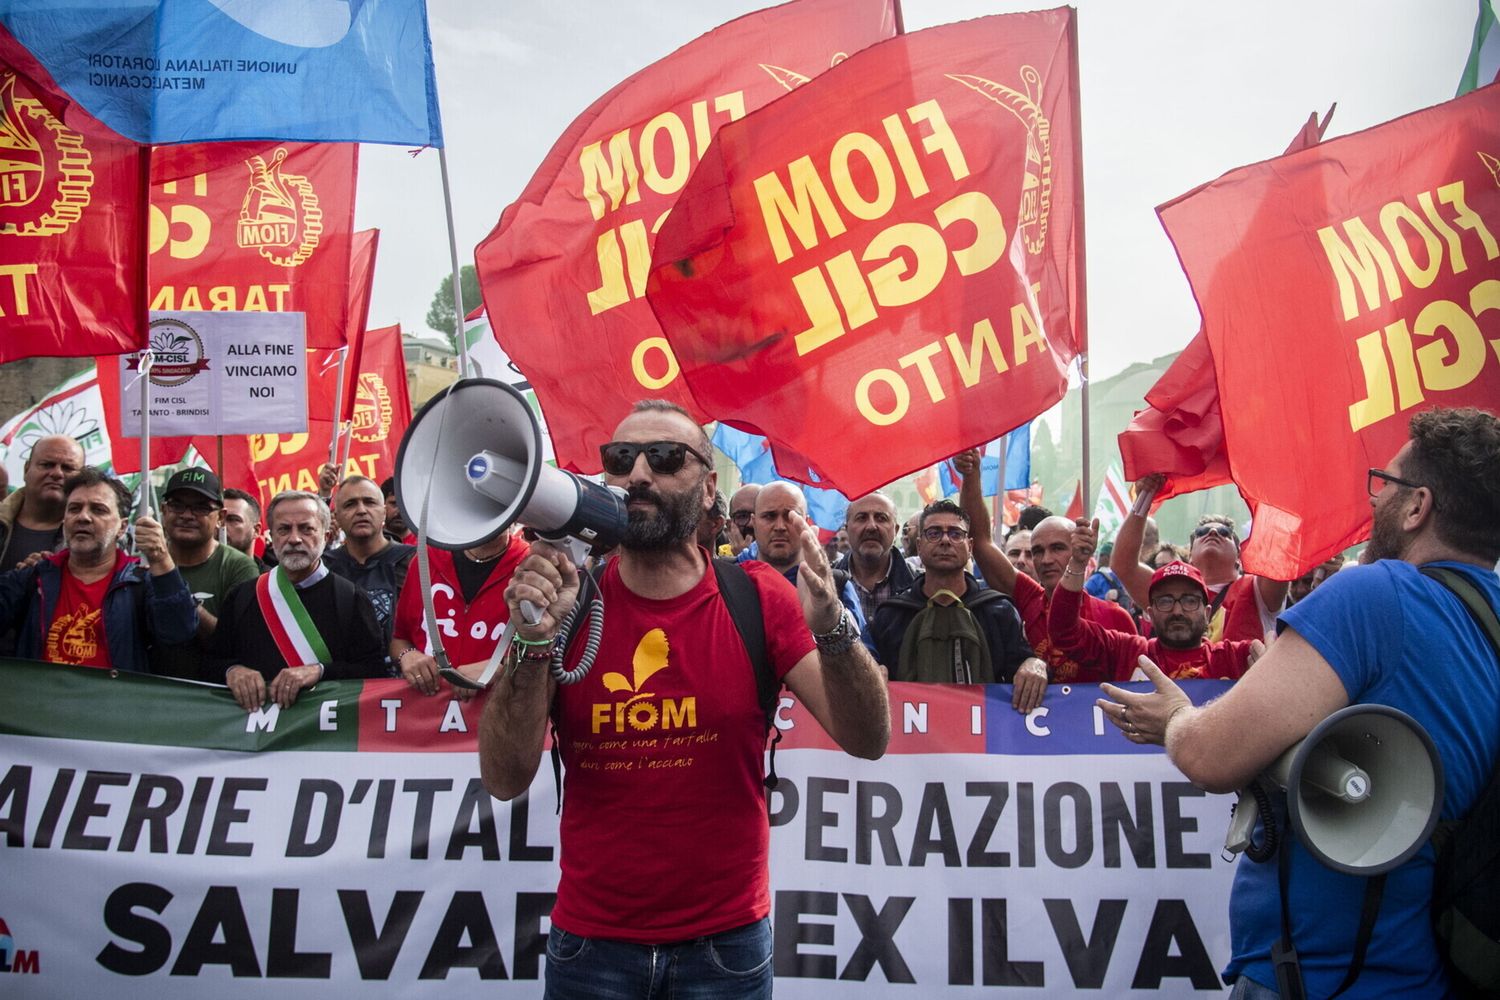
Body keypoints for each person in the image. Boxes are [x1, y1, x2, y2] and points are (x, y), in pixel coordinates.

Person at [478, 399, 889, 999]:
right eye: (620, 460)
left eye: (666, 458)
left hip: (724, 948)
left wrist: (831, 628)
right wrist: (533, 641)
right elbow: (503, 776)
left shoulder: (758, 597)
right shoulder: (566, 604)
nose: (639, 475)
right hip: (592, 947)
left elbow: (867, 739)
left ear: (707, 489)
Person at [1098, 407, 1500, 998]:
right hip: (1439, 973)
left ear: (1418, 507)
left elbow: (1212, 756)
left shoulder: (1373, 593)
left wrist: (1177, 720)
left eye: (1384, 486)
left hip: (1319, 975)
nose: (1373, 503)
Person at [954, 450, 1136, 685]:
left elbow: (1135, 690)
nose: (1046, 559)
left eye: (1058, 548)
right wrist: (972, 476)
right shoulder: (1028, 598)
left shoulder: (1115, 617)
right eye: (1038, 551)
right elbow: (979, 541)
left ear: (1080, 549)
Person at [0, 468, 196, 671]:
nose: (83, 517)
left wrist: (161, 559)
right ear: (64, 520)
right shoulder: (34, 577)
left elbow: (179, 631)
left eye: (98, 509)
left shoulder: (140, 584)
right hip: (41, 702)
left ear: (122, 527)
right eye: (74, 509)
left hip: (114, 702)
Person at [211, 490, 386, 712]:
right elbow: (211, 662)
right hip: (256, 733)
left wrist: (320, 671)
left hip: (325, 734)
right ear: (271, 536)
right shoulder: (243, 596)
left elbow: (373, 671)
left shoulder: (350, 599)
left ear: (326, 535)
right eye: (284, 529)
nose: (294, 539)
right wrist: (232, 671)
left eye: (306, 529)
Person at [869, 498, 1042, 698]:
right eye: (934, 533)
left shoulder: (998, 611)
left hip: (985, 727)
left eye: (955, 534)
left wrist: (1033, 664)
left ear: (970, 546)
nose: (945, 540)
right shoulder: (891, 615)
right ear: (919, 545)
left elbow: (1021, 667)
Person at [1050, 519, 1261, 682]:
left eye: (1189, 600)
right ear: (1149, 613)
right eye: (1165, 601)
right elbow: (1064, 631)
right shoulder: (1127, 652)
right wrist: (1077, 563)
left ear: (1207, 613)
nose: (1177, 611)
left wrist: (1268, 657)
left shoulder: (1233, 657)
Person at [1111, 474, 1288, 641]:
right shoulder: (1168, 588)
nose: (1212, 532)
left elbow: (1280, 551)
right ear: (1190, 557)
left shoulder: (1258, 591)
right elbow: (1123, 566)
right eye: (1201, 533)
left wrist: (1270, 482)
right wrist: (1144, 498)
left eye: (1224, 533)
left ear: (1239, 558)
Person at [391, 528, 529, 698]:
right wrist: (407, 656)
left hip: (499, 714)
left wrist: (501, 667)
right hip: (428, 715)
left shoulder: (530, 570)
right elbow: (399, 638)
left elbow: (548, 652)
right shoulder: (425, 561)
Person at [153, 468, 261, 679]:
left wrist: (180, 596)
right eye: (177, 505)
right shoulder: (143, 563)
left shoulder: (238, 567)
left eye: (200, 508)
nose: (186, 515)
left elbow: (237, 643)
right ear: (164, 510)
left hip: (212, 699)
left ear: (220, 517)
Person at [753, 480, 870, 644]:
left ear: (806, 522)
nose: (780, 526)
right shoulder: (731, 582)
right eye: (769, 516)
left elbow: (866, 660)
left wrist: (829, 624)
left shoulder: (836, 585)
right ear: (754, 522)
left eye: (790, 516)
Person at [323, 475, 416, 657]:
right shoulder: (323, 568)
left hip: (405, 678)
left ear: (383, 512)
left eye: (369, 502)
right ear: (337, 517)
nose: (361, 511)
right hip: (347, 681)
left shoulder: (416, 561)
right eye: (350, 504)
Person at [0, 434, 85, 572]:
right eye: (47, 465)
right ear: (26, 469)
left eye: (68, 468)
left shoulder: (95, 535)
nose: (57, 473)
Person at [835, 490, 915, 622]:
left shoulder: (920, 584)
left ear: (896, 530)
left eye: (881, 518)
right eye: (861, 518)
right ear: (847, 529)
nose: (871, 526)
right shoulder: (826, 583)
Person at [222, 487, 268, 572]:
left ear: (256, 530)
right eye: (218, 518)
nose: (221, 526)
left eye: (233, 519)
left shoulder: (270, 583)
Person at [727, 482, 760, 560]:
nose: (751, 523)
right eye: (742, 516)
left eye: (759, 514)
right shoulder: (717, 568)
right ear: (729, 526)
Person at [380, 476, 414, 543]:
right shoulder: (369, 543)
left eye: (405, 505)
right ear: (382, 504)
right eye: (394, 503)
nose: (399, 511)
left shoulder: (430, 545)